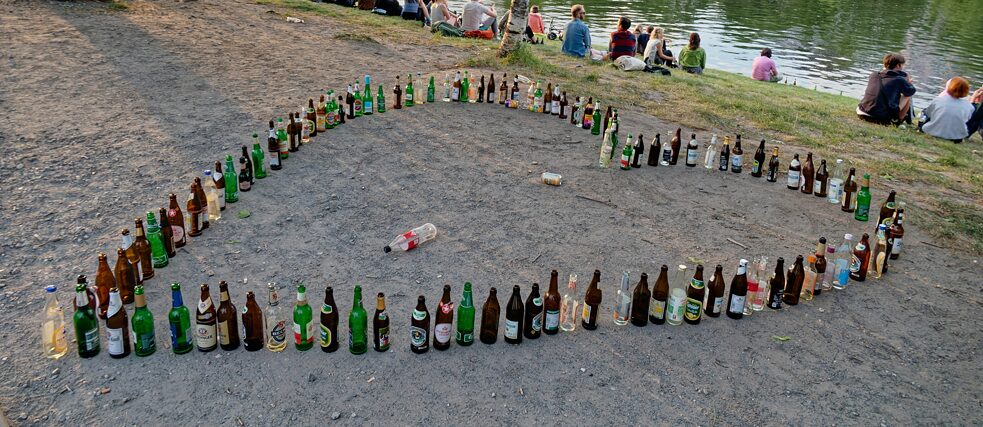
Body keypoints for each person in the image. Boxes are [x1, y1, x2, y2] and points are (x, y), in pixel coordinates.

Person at [857, 53, 917, 125]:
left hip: (862, 112)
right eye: (902, 65)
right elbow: (911, 91)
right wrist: (907, 82)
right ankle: (899, 120)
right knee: (908, 94)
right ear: (898, 65)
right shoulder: (899, 79)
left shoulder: (874, 75)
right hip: (880, 118)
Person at [919, 77, 976, 142]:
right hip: (957, 137)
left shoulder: (938, 100)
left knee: (924, 112)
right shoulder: (969, 106)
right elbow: (967, 119)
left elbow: (928, 113)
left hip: (932, 132)